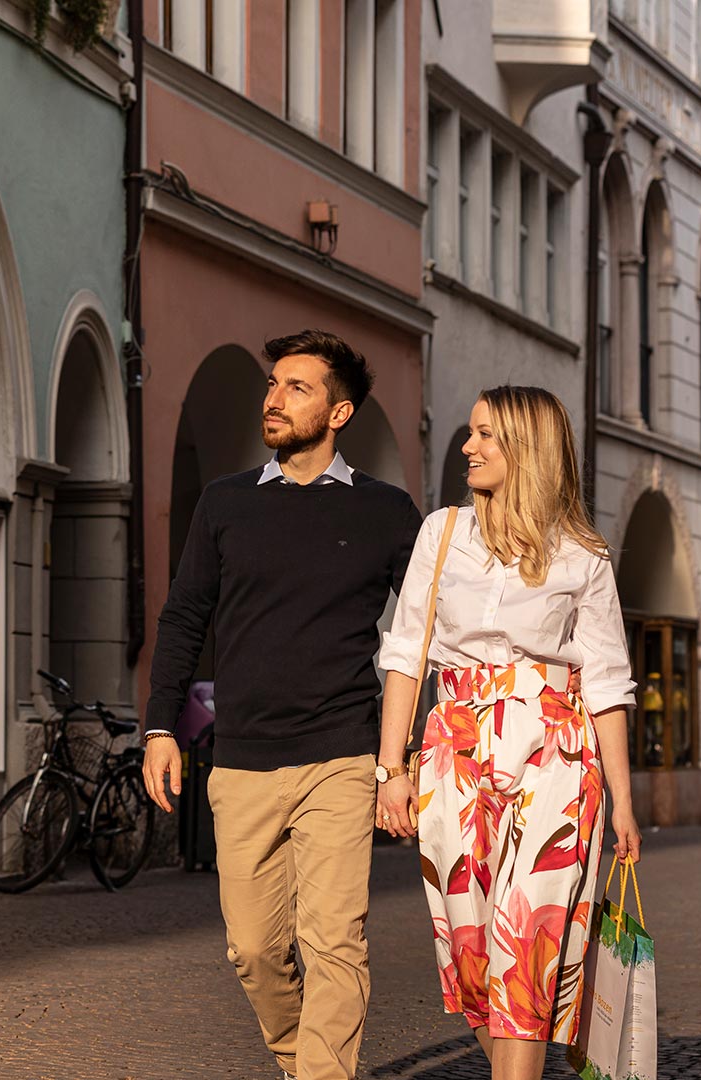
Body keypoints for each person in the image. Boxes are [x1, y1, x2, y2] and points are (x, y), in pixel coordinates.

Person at [141, 330, 422, 1080]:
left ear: (339, 413)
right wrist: (162, 725)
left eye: (296, 386)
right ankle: (305, 1064)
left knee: (335, 941)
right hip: (243, 757)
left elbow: (431, 629)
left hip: (342, 751)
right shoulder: (225, 503)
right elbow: (183, 617)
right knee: (255, 949)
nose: (273, 396)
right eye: (273, 383)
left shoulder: (388, 512)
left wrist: (410, 754)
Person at [376, 386, 639, 1080]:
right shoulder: (440, 534)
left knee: (526, 948)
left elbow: (609, 683)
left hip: (555, 752)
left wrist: (624, 805)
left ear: (528, 448)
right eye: (471, 432)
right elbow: (406, 651)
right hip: (453, 751)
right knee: (469, 952)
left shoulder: (583, 555)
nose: (469, 446)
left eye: (487, 435)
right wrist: (390, 769)